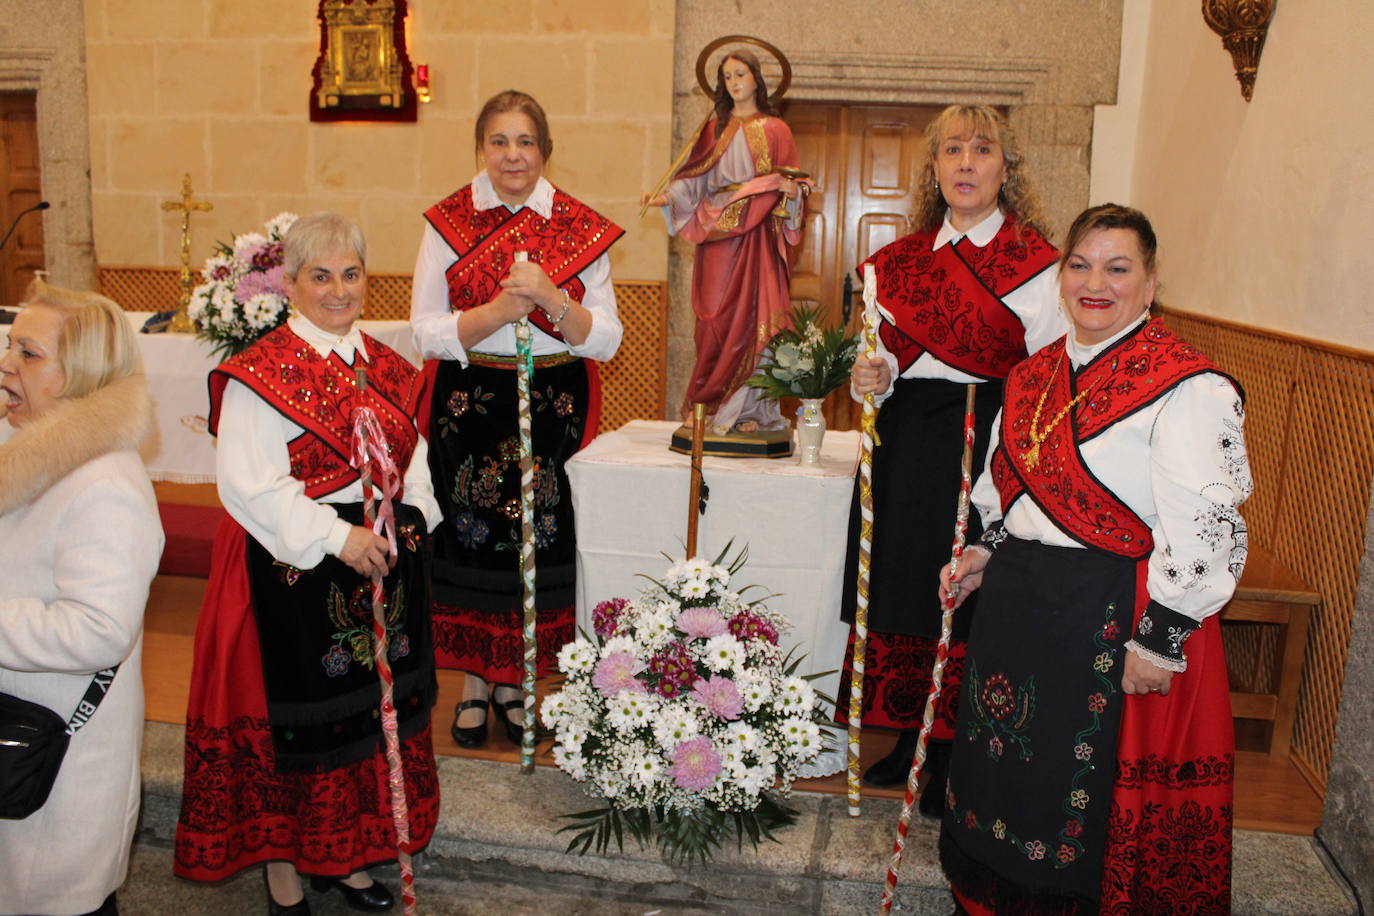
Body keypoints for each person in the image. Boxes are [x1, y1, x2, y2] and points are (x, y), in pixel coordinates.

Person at [938, 204, 1249, 914]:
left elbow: (1206, 524)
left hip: (1112, 614)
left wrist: (1164, 639)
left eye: (1118, 267)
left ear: (1151, 280)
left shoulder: (1186, 386)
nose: (1094, 283)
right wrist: (982, 551)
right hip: (1018, 606)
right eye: (1079, 265)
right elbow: (1003, 487)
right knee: (1006, 766)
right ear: (1061, 276)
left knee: (1069, 786)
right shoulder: (1031, 375)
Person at [174, 213, 442, 914]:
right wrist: (337, 537)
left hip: (376, 564)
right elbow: (249, 485)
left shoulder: (388, 367)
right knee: (299, 727)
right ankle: (286, 869)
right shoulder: (257, 375)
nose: (337, 290)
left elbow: (415, 465)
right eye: (320, 276)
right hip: (285, 566)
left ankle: (347, 860)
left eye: (350, 274)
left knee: (359, 720)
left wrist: (412, 524)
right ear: (290, 283)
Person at [837, 104, 1065, 812]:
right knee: (907, 582)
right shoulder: (896, 264)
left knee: (970, 591)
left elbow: (1050, 374)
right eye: (953, 150)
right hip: (907, 440)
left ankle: (954, 750)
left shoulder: (1038, 266)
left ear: (1005, 167)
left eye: (983, 149)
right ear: (934, 169)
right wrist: (867, 375)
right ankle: (908, 739)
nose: (967, 162)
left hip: (989, 440)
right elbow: (871, 361)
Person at [411, 90, 623, 750]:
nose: (512, 155)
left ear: (546, 150)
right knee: (475, 542)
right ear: (482, 148)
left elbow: (607, 339)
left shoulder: (578, 227)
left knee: (539, 545)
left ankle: (518, 684)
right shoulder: (446, 223)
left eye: (525, 142)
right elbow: (424, 329)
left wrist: (553, 301)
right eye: (499, 141)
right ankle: (477, 684)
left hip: (550, 405)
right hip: (469, 404)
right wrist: (498, 314)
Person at [0, 280, 163, 916]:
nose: (7, 364)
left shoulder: (106, 484)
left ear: (79, 374)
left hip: (56, 757)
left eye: (29, 355)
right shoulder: (22, 448)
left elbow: (97, 629)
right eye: (10, 347)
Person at [642, 48, 808, 434]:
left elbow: (795, 182)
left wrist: (791, 192)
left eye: (740, 74)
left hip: (757, 234)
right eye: (727, 76)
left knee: (753, 319)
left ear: (756, 79)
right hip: (715, 232)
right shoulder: (713, 128)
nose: (734, 83)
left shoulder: (775, 129)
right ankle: (709, 404)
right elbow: (693, 180)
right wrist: (666, 199)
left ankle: (749, 410)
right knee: (713, 319)